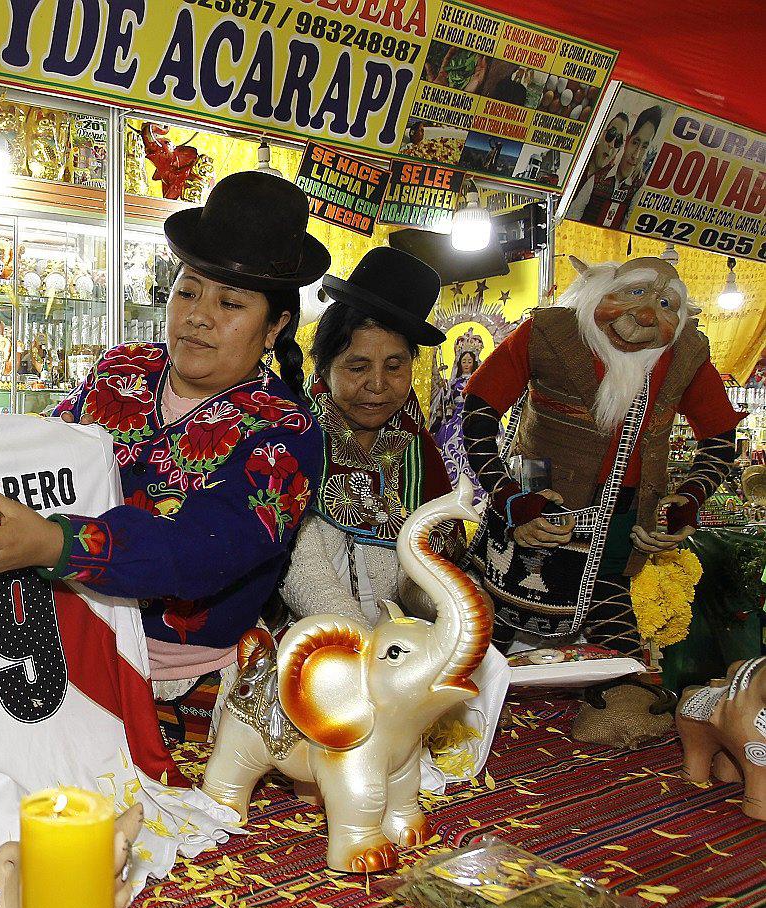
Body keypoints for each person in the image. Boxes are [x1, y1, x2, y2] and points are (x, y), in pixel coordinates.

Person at [0, 172, 327, 726]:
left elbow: (204, 549)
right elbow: (42, 450)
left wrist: (56, 543)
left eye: (230, 303)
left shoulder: (285, 432)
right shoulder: (124, 370)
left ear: (276, 325)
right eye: (187, 290)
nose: (198, 315)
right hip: (65, 652)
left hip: (188, 688)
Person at [462, 255, 740, 743]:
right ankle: (470, 695)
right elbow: (480, 409)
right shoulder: (548, 331)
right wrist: (508, 496)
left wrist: (690, 499)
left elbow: (719, 439)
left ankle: (621, 700)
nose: (647, 314)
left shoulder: (687, 356)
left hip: (626, 508)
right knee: (499, 599)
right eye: (634, 293)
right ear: (600, 289)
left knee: (608, 591)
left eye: (665, 303)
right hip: (535, 485)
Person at [280, 247, 454, 625]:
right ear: (324, 368)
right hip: (312, 646)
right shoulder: (292, 438)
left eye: (395, 366)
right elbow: (301, 569)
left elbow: (428, 563)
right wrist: (361, 641)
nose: (378, 385)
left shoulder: (418, 448)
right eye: (358, 367)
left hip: (398, 652)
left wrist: (444, 606)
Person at [431, 331, 485, 495]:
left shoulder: (479, 381)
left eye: (470, 361)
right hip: (455, 421)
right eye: (464, 361)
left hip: (472, 418)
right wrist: (444, 391)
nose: (467, 364)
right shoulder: (453, 382)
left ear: (474, 362)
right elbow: (446, 402)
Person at [568, 110, 629, 224]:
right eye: (611, 135)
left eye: (618, 141)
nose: (611, 145)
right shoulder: (578, 157)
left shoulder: (614, 180)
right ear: (602, 133)